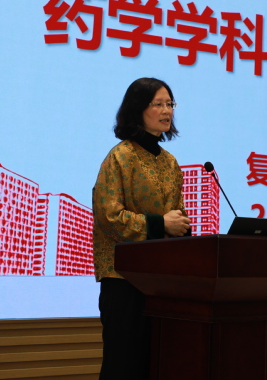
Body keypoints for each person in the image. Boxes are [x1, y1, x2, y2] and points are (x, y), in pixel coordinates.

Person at [92, 77, 191, 380]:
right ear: (137, 109)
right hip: (123, 280)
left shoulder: (171, 163)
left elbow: (179, 216)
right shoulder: (120, 157)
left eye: (170, 104)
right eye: (158, 104)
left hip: (161, 281)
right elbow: (108, 216)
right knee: (123, 367)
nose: (167, 111)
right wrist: (161, 224)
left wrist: (181, 227)